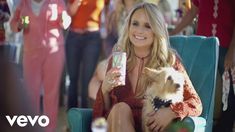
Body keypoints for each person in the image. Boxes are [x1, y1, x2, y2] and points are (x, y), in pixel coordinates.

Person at [93, 2, 202, 132]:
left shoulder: (169, 61)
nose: (139, 30)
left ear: (156, 30)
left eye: (147, 26)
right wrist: (104, 90)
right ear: (128, 27)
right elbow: (103, 113)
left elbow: (195, 103)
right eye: (135, 23)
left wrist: (171, 112)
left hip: (151, 127)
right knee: (120, 109)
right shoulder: (118, 61)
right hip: (118, 123)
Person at [170, 0, 235, 131]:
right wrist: (173, 33)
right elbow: (193, 11)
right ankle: (201, 124)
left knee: (228, 93)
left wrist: (232, 51)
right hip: (202, 46)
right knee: (199, 87)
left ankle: (225, 128)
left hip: (226, 47)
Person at [10, 0, 71, 131]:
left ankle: (50, 129)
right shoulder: (23, 4)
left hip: (54, 52)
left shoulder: (57, 2)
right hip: (30, 53)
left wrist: (64, 19)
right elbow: (13, 24)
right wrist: (19, 25)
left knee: (51, 95)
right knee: (31, 94)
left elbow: (66, 23)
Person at [66, 0, 109, 109]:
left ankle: (85, 119)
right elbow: (69, 13)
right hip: (74, 36)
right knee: (73, 80)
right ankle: (72, 119)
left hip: (93, 38)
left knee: (88, 81)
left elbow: (108, 12)